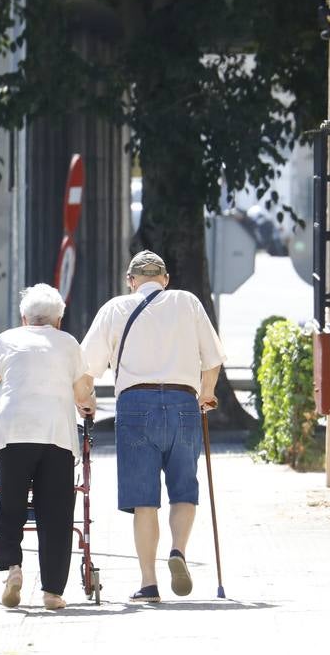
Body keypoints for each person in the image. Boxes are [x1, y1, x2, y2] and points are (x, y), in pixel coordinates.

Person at [81, 251, 225, 602]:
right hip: (181, 402)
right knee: (184, 488)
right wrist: (206, 394)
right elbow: (213, 359)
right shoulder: (187, 302)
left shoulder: (115, 308)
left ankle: (149, 583)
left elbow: (86, 369)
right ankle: (177, 550)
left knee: (144, 501)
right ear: (165, 279)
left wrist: (85, 403)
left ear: (130, 281)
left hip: (134, 405)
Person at [0, 283, 95, 610]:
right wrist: (86, 404)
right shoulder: (68, 343)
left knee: (10, 501)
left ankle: (13, 568)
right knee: (56, 511)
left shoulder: (8, 339)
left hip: (14, 432)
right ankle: (52, 592)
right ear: (58, 320)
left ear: (25, 317)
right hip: (56, 433)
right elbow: (83, 393)